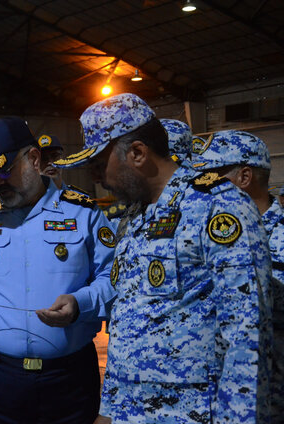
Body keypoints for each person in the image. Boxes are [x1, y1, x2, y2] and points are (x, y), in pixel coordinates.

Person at [56, 93, 272, 423]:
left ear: (138, 153)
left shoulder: (219, 207)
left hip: (193, 413)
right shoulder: (138, 217)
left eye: (99, 165)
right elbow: (128, 322)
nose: (96, 178)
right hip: (131, 411)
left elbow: (247, 335)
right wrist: (109, 409)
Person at [0, 117, 117, 424]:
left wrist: (79, 304)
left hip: (68, 381)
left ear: (33, 159)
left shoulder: (83, 213)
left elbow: (115, 279)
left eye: (4, 171)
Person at [191, 129, 282, 418]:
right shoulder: (205, 235)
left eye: (213, 176)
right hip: (214, 391)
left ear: (244, 177)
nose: (201, 185)